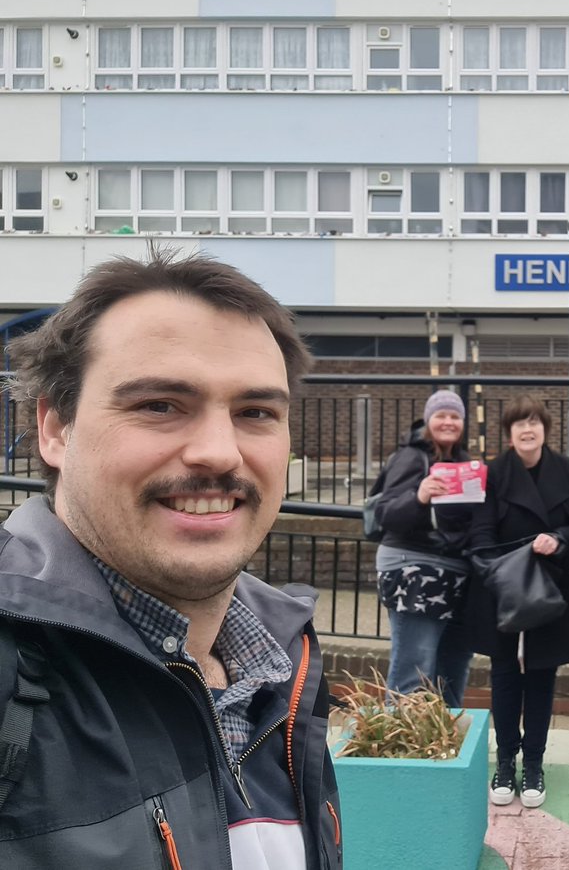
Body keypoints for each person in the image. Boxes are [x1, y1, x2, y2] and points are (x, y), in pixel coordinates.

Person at [0, 252, 341, 868]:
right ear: (54, 429)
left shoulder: (284, 665)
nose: (218, 452)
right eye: (159, 405)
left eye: (255, 413)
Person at [467, 395, 569, 810]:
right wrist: (499, 567)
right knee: (504, 676)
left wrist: (558, 540)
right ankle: (506, 762)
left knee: (542, 678)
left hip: (552, 590)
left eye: (534, 422)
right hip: (507, 589)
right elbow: (481, 532)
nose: (527, 429)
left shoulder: (565, 469)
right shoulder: (494, 473)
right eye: (519, 424)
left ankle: (534, 763)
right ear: (509, 433)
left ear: (544, 428)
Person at [372, 390, 477, 707]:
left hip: (455, 574)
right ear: (428, 421)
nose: (448, 422)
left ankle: (446, 744)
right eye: (441, 415)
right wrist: (419, 495)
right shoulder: (411, 457)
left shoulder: (466, 464)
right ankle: (399, 743)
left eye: (455, 416)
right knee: (413, 669)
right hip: (414, 570)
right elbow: (385, 513)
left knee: (452, 669)